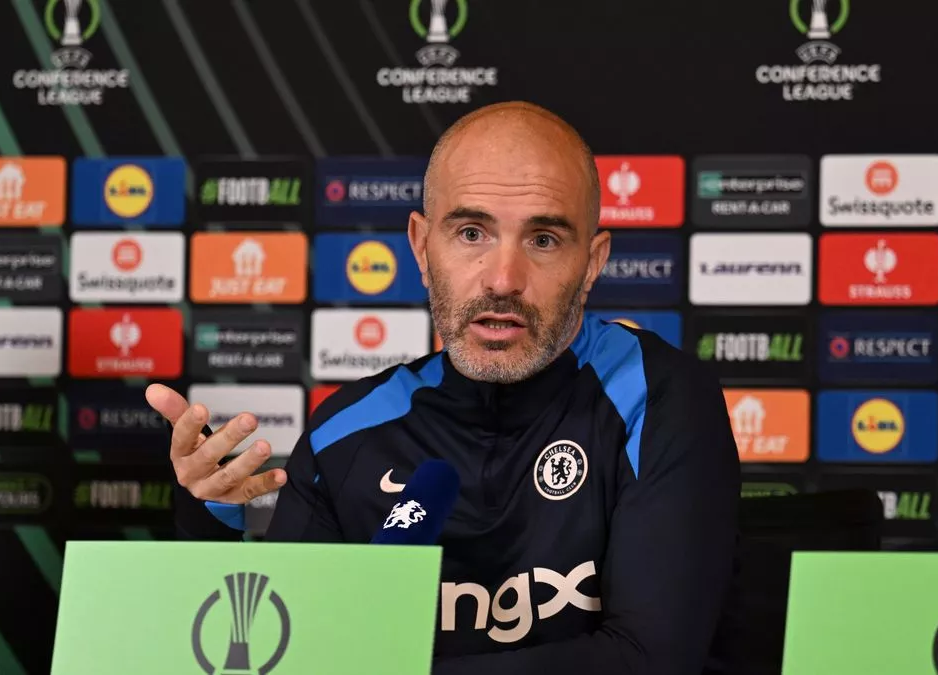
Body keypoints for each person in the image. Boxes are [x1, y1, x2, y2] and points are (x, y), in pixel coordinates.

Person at [146, 101, 739, 674]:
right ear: (422, 247)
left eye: (544, 240)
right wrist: (208, 517)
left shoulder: (655, 394)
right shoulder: (345, 432)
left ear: (592, 262)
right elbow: (294, 649)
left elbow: (649, 659)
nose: (503, 280)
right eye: (472, 233)